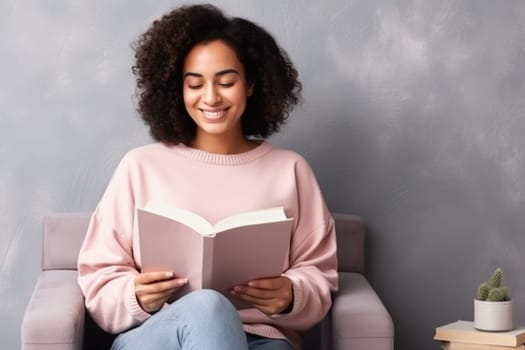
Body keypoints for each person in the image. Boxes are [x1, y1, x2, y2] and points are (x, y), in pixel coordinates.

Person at [77, 3, 338, 350]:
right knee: (208, 305)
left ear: (251, 85)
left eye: (226, 81)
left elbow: (318, 274)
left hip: (262, 340)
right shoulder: (140, 167)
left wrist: (292, 295)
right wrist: (135, 295)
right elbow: (98, 279)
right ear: (177, 90)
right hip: (160, 336)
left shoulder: (290, 170)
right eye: (195, 84)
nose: (211, 97)